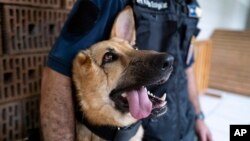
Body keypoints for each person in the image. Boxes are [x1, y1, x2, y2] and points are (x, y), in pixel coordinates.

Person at [40, 0, 212, 141]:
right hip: (144, 133)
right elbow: (58, 71)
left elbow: (186, 67)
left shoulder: (190, 5)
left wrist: (199, 117)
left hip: (187, 130)